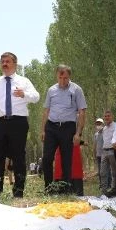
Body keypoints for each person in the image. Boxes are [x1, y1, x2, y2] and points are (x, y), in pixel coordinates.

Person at [0, 52, 40, 197]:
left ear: (15, 64)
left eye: (8, 61)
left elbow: (36, 97)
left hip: (18, 122)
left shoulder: (24, 81)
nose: (4, 64)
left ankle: (18, 191)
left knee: (18, 157)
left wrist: (24, 94)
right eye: (2, 61)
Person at [40, 64, 87, 194]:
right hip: (51, 127)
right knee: (47, 158)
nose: (62, 81)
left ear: (69, 77)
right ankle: (48, 189)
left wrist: (78, 133)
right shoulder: (51, 90)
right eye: (60, 78)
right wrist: (43, 130)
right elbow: (46, 111)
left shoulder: (76, 90)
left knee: (67, 160)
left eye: (65, 78)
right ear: (57, 76)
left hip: (68, 128)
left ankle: (67, 190)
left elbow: (82, 112)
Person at [99, 110, 116, 194]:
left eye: (108, 116)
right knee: (103, 172)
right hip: (104, 151)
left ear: (112, 117)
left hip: (112, 151)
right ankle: (104, 190)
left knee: (114, 171)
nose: (107, 117)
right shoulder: (104, 129)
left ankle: (114, 189)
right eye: (105, 116)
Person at [92, 117, 104, 188]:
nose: (98, 125)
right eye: (97, 124)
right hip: (98, 155)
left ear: (102, 124)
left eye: (99, 123)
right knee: (99, 172)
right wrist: (94, 154)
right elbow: (95, 145)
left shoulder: (105, 132)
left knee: (105, 171)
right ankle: (101, 184)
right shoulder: (96, 134)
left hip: (104, 155)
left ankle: (107, 184)